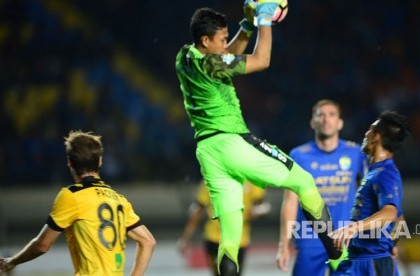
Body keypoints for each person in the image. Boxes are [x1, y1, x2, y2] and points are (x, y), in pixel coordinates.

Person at [175, 1, 347, 274]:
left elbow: (227, 56)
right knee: (303, 181)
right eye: (221, 39)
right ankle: (339, 256)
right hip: (232, 141)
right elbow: (261, 60)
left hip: (208, 152)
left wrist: (245, 27)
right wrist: (264, 21)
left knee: (229, 237)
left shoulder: (185, 56)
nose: (224, 44)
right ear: (205, 40)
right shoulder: (211, 63)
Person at [0, 130, 156, 275]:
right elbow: (148, 241)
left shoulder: (72, 195)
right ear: (100, 161)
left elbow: (42, 245)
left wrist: (12, 261)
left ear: (70, 162)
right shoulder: (118, 199)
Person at [276, 99, 367, 275]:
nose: (326, 119)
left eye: (332, 115)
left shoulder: (356, 153)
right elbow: (290, 202)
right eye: (321, 115)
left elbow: (367, 196)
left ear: (340, 123)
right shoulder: (298, 155)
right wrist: (284, 244)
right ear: (313, 122)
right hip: (309, 239)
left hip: (345, 238)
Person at [329, 110, 410, 276]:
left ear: (376, 136)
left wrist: (353, 228)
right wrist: (392, 243)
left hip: (372, 264)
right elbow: (400, 219)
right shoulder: (376, 172)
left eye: (370, 130)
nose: (365, 135)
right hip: (357, 260)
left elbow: (391, 212)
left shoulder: (385, 174)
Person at [177, 179, 270, 275]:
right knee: (226, 272)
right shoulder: (212, 176)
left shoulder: (250, 179)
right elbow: (198, 209)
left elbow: (263, 206)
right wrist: (186, 238)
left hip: (239, 240)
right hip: (214, 238)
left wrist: (255, 212)